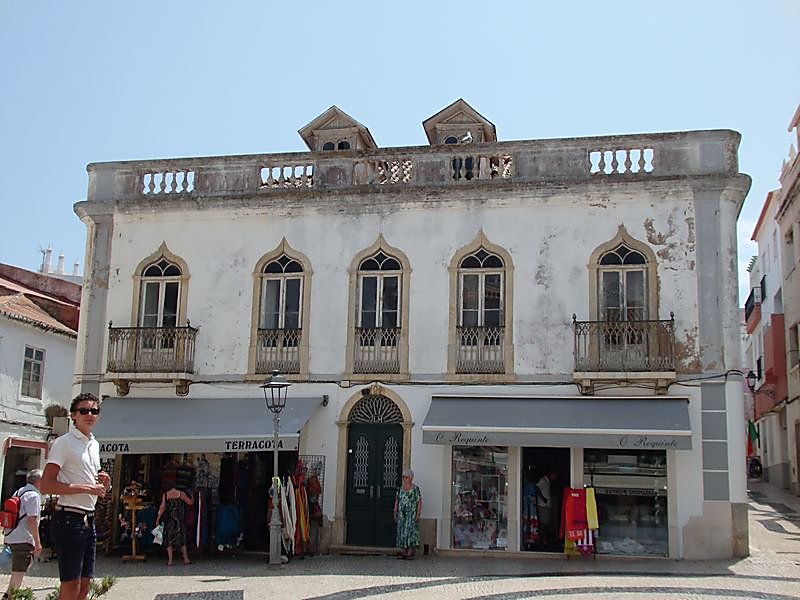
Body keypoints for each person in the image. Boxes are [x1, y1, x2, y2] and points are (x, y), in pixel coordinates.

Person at [40, 393, 111, 600]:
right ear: (73, 415)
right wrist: (87, 488)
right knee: (71, 586)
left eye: (94, 411)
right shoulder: (64, 443)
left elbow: (93, 482)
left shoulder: (94, 444)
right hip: (68, 518)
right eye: (84, 410)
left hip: (89, 518)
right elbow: (46, 484)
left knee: (84, 586)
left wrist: (104, 483)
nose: (89, 414)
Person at [3, 469, 43, 600]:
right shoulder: (34, 496)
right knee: (18, 573)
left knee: (19, 569)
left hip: (12, 535)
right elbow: (32, 520)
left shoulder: (19, 492)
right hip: (23, 539)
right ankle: (9, 597)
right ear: (39, 481)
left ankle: (9, 595)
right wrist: (37, 542)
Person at [156, 486, 194, 566]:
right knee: (182, 540)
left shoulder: (166, 495)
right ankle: (186, 559)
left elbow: (162, 507)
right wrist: (192, 497)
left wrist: (158, 518)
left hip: (170, 521)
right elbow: (190, 502)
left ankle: (170, 561)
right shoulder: (181, 494)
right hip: (179, 521)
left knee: (169, 540)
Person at [393, 468, 422, 560]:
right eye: (403, 477)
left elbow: (419, 502)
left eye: (406, 477)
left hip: (411, 515)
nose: (404, 479)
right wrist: (395, 512)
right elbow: (397, 501)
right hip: (402, 515)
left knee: (411, 533)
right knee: (402, 533)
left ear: (411, 478)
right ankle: (404, 552)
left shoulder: (415, 489)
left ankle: (410, 553)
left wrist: (418, 515)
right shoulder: (400, 489)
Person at [536, 470, 558, 548]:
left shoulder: (548, 482)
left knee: (546, 523)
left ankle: (543, 540)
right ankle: (539, 539)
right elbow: (537, 488)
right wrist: (543, 498)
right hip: (543, 505)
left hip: (547, 505)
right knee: (544, 523)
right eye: (554, 476)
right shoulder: (543, 480)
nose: (555, 478)